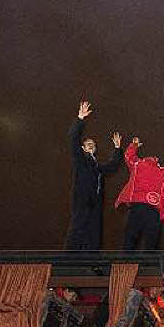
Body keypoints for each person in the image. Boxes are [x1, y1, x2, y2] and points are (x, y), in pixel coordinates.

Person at [64, 100, 123, 250]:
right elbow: (73, 139)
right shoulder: (81, 159)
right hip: (83, 198)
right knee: (78, 227)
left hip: (95, 202)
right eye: (88, 144)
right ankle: (66, 261)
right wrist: (80, 119)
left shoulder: (96, 165)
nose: (92, 145)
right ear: (83, 148)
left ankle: (92, 261)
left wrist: (117, 148)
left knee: (94, 231)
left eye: (93, 144)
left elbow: (111, 167)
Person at [114, 138, 164, 250]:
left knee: (130, 239)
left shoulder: (138, 165)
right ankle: (149, 264)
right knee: (151, 242)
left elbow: (128, 156)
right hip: (153, 209)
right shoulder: (163, 172)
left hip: (136, 207)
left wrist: (134, 145)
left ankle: (126, 263)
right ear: (157, 162)